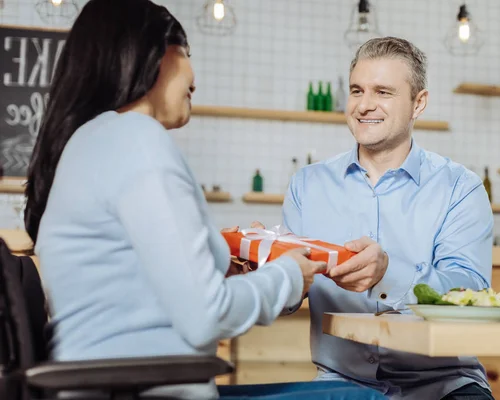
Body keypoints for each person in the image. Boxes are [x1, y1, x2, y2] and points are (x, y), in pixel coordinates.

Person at [23, 0, 386, 399]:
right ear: (155, 55)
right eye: (188, 54)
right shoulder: (137, 140)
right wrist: (287, 275)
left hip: (116, 382)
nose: (195, 78)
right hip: (150, 388)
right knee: (363, 395)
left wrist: (229, 266)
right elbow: (205, 316)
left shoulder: (90, 142)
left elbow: (135, 292)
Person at [279, 37, 495, 400]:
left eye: (383, 92)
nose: (364, 105)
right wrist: (261, 267)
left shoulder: (461, 187)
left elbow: (469, 292)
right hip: (340, 384)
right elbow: (287, 297)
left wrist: (388, 275)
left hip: (443, 384)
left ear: (418, 103)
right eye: (357, 90)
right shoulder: (307, 185)